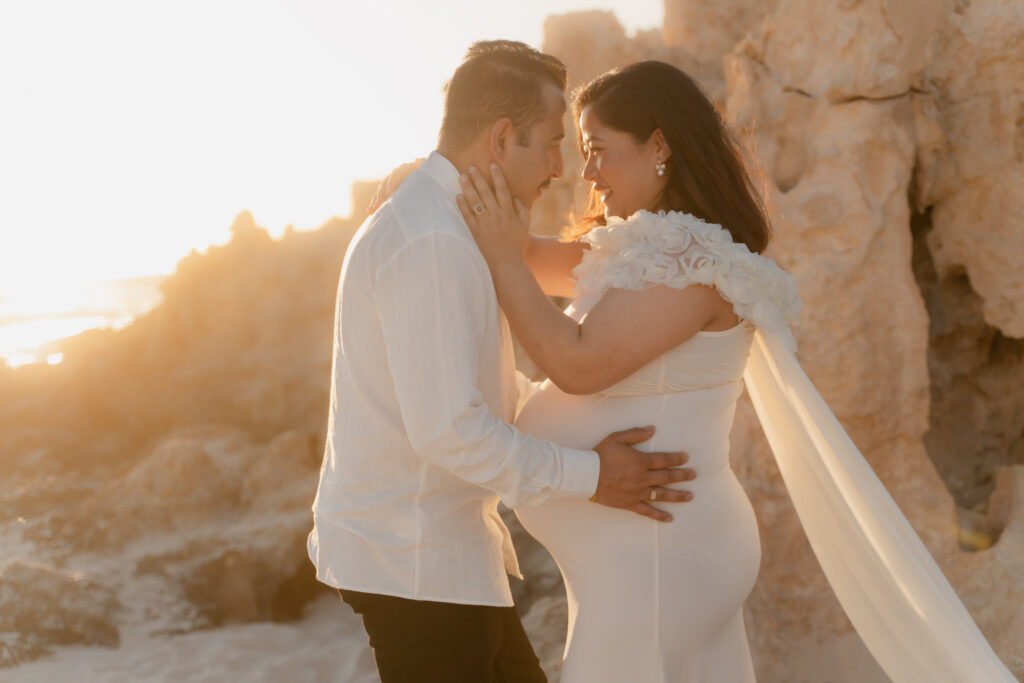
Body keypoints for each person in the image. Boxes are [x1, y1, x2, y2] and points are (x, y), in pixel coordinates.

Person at [455, 60, 1017, 683]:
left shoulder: (692, 261)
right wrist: (434, 184)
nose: (587, 172)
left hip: (664, 557)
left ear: (660, 145)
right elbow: (527, 254)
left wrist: (505, 262)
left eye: (599, 150)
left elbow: (577, 363)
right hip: (642, 558)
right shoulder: (641, 247)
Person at [307, 42, 697, 683]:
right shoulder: (431, 239)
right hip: (416, 565)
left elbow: (473, 391)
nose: (558, 167)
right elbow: (448, 428)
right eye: (549, 143)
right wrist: (592, 476)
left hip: (446, 558)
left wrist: (581, 440)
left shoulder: (448, 225)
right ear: (500, 137)